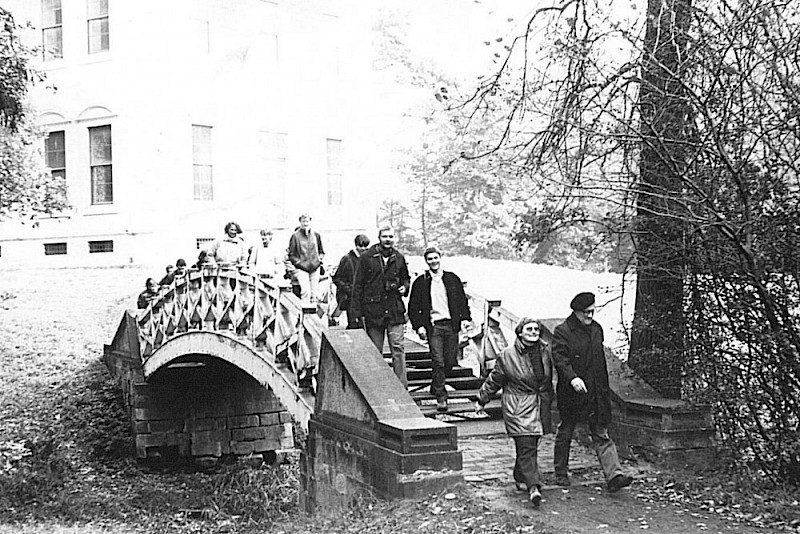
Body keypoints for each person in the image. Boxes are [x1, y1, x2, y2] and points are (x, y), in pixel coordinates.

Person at [552, 291, 633, 492]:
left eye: (592, 311)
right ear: (576, 312)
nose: (590, 316)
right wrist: (572, 378)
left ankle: (614, 475)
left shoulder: (597, 329)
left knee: (601, 433)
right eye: (586, 312)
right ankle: (560, 472)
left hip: (596, 391)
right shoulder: (563, 331)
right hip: (573, 393)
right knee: (566, 431)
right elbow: (560, 359)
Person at [475, 317, 554, 507]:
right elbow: (494, 380)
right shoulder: (507, 355)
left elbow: (548, 380)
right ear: (519, 332)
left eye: (536, 329)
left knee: (530, 443)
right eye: (529, 329)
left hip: (538, 404)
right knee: (526, 444)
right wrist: (482, 400)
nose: (534, 332)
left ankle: (520, 475)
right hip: (517, 406)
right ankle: (533, 486)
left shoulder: (545, 351)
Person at [408, 246, 472, 412]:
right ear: (426, 261)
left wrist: (465, 318)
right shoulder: (421, 282)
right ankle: (441, 396)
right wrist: (419, 326)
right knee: (438, 360)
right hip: (434, 326)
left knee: (450, 361)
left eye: (435, 258)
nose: (433, 261)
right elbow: (413, 307)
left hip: (451, 325)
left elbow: (462, 301)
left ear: (440, 258)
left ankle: (435, 385)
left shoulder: (452, 279)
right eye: (430, 259)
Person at [351, 226, 411, 386]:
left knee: (398, 349)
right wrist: (356, 314)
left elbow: (406, 278)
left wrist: (404, 287)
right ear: (379, 238)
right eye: (385, 236)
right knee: (375, 351)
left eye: (391, 236)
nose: (388, 239)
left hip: (394, 310)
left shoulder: (399, 258)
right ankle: (376, 387)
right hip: (374, 311)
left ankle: (401, 386)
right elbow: (357, 287)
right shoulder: (366, 258)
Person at [332, 234, 370, 329]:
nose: (363, 249)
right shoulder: (347, 259)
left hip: (364, 297)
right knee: (354, 324)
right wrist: (349, 289)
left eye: (366, 246)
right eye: (361, 246)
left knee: (365, 324)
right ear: (356, 246)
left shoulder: (368, 259)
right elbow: (337, 278)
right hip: (351, 298)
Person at [287, 214, 325, 304]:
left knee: (314, 294)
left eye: (307, 221)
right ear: (300, 222)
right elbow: (291, 255)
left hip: (315, 268)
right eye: (303, 221)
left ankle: (313, 316)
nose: (305, 223)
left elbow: (321, 251)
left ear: (310, 222)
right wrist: (298, 263)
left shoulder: (316, 235)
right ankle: (304, 314)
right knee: (305, 292)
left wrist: (319, 260)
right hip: (302, 268)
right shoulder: (295, 236)